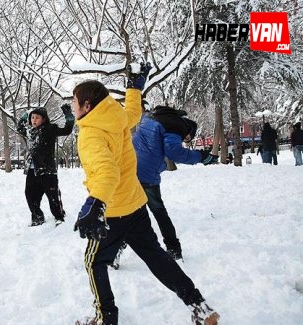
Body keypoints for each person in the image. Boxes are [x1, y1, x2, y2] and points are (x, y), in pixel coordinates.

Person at [71, 63, 219, 325]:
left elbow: (107, 172)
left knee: (94, 263)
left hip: (113, 212)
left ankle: (106, 318)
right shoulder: (116, 118)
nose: (73, 107)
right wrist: (134, 88)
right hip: (136, 205)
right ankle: (198, 305)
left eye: (75, 102)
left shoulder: (91, 134)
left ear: (87, 106)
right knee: (155, 256)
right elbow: (133, 113)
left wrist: (96, 203)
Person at [130, 106, 218, 261]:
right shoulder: (177, 126)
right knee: (158, 211)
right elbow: (174, 152)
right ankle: (174, 249)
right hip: (147, 173)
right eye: (188, 138)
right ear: (188, 131)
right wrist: (200, 156)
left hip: (129, 168)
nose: (185, 140)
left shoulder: (152, 116)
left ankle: (115, 249)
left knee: (129, 212)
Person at [16, 104, 75, 226]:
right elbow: (20, 128)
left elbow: (67, 130)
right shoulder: (30, 132)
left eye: (37, 117)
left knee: (52, 196)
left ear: (43, 119)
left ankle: (59, 216)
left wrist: (68, 116)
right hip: (33, 170)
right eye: (32, 118)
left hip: (47, 170)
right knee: (30, 195)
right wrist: (24, 115)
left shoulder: (50, 129)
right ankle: (37, 218)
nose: (34, 120)